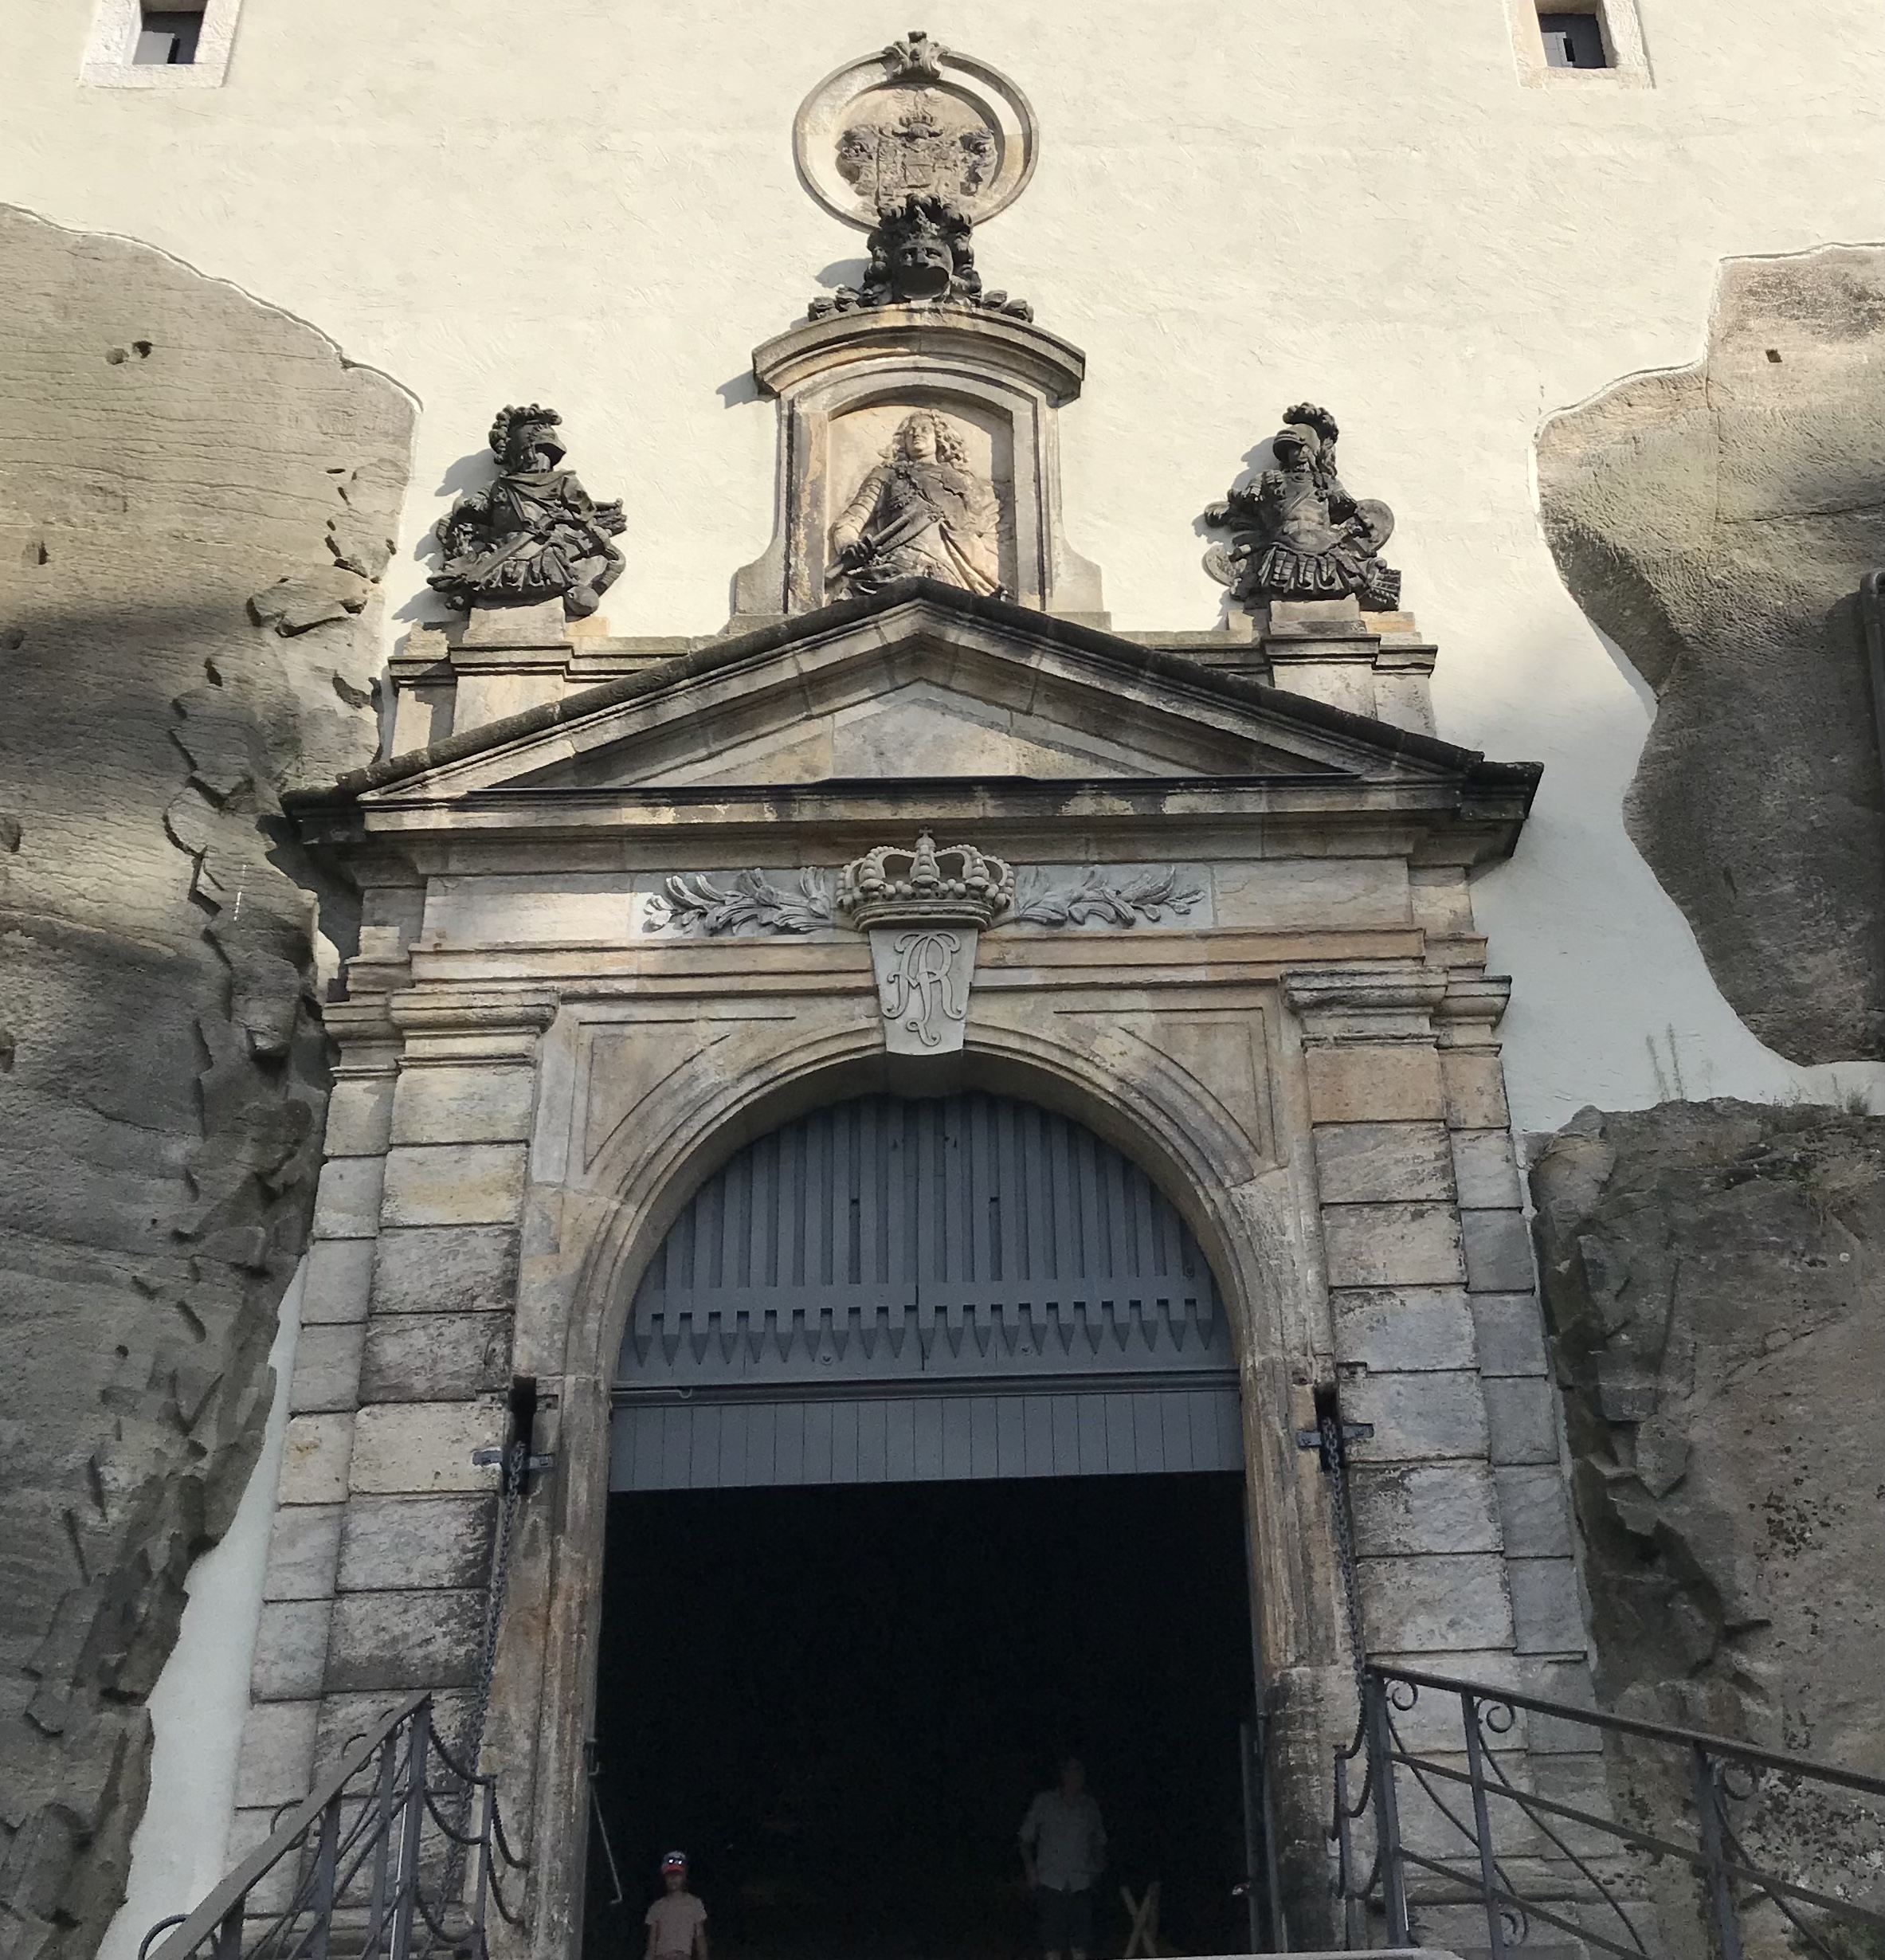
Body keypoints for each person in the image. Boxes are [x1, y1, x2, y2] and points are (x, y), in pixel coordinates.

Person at [828, 408, 1004, 598]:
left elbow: (982, 531)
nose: (916, 434)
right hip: (898, 565)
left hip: (951, 572)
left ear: (940, 438)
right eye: (910, 431)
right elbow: (849, 522)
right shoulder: (886, 475)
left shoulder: (965, 482)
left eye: (924, 429)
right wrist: (849, 545)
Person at [1019, 1757, 1107, 1960]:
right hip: (1051, 1883)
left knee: (1081, 1947)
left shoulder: (1089, 1806)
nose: (1075, 1776)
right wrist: (1030, 1871)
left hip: (1081, 1884)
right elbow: (1025, 1839)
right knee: (1052, 1947)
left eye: (1079, 1771)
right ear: (1063, 1774)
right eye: (1071, 1771)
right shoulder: (1044, 1802)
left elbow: (1099, 1840)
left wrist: (1098, 1869)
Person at [644, 1851, 707, 1960]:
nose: (673, 1879)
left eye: (677, 1875)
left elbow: (700, 1937)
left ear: (684, 1877)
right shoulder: (656, 1907)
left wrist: (704, 1957)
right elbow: (651, 1945)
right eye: (669, 1875)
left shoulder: (695, 1904)